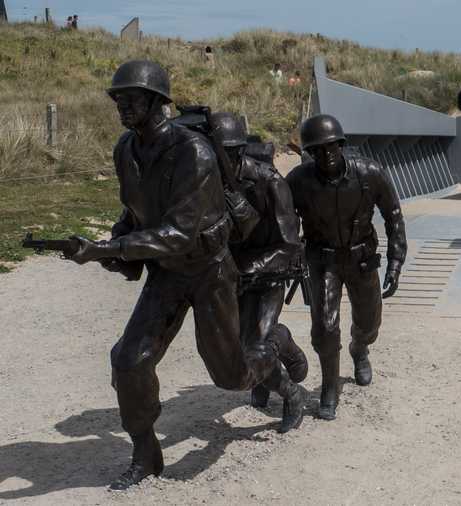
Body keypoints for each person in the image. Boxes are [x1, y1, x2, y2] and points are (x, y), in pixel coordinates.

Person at [67, 60, 305, 490]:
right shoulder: (126, 148)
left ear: (158, 102)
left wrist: (105, 249)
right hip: (167, 272)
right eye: (117, 98)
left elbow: (178, 233)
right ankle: (146, 454)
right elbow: (134, 211)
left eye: (131, 98)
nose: (121, 105)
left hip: (210, 272)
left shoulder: (193, 151)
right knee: (128, 360)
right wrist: (109, 248)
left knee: (231, 376)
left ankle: (282, 371)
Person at [285, 114, 407, 421]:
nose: (326, 155)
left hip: (361, 258)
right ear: (309, 154)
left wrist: (395, 262)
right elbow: (283, 220)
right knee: (324, 328)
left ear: (342, 145)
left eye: (331, 147)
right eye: (317, 150)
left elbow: (393, 215)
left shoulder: (370, 173)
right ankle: (329, 387)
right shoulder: (298, 181)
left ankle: (359, 348)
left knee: (369, 323)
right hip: (322, 259)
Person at [207, 112, 310, 410]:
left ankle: (288, 376)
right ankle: (267, 373)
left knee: (258, 343)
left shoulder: (270, 183)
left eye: (224, 154)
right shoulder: (209, 184)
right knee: (238, 346)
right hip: (234, 274)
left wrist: (249, 267)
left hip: (270, 272)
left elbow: (289, 245)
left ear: (238, 151)